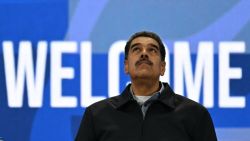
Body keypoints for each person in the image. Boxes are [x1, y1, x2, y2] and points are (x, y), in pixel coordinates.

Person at [75, 31, 217, 141]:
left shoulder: (195, 114)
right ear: (126, 66)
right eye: (136, 49)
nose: (144, 54)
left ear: (162, 67)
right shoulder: (97, 115)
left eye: (152, 50)